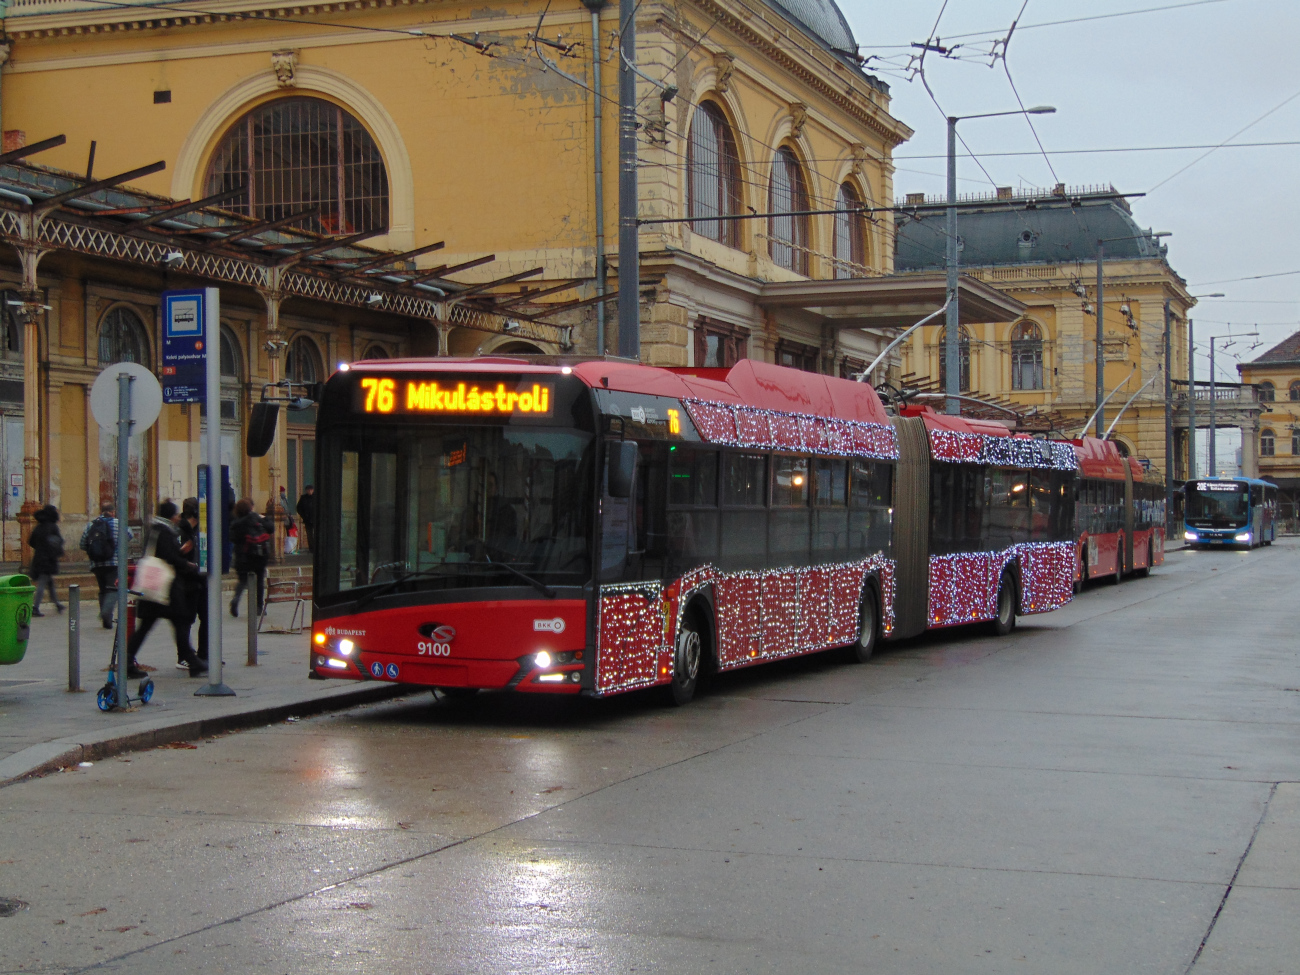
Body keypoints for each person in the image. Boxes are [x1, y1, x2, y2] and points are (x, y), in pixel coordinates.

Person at [125, 500, 206, 679]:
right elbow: (169, 557)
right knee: (179, 623)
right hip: (165, 589)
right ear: (171, 516)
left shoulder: (155, 529)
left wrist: (180, 552)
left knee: (149, 626)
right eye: (176, 514)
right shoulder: (165, 531)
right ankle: (192, 662)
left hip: (154, 589)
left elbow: (161, 553)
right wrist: (188, 563)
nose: (178, 518)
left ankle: (128, 662)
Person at [80, 501, 130, 629]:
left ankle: (106, 621)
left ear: (101, 512)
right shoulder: (118, 523)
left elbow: (82, 544)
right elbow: (129, 535)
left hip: (96, 563)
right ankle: (106, 613)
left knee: (103, 590)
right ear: (112, 512)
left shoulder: (91, 525)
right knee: (113, 588)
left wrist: (95, 552)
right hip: (114, 562)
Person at [177, 497, 209, 669]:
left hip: (201, 578)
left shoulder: (201, 528)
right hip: (187, 581)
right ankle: (184, 656)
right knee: (187, 620)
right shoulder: (180, 530)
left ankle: (204, 653)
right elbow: (175, 555)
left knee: (206, 617)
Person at [230, 498, 271, 618]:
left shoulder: (236, 523)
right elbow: (271, 528)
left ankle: (236, 599)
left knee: (242, 580)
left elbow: (232, 538)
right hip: (259, 555)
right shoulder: (256, 518)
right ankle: (258, 607)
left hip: (242, 556)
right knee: (259, 581)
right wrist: (265, 518)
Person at [28, 504, 65, 617]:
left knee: (50, 583)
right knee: (42, 583)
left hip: (39, 558)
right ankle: (36, 607)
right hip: (48, 560)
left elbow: (31, 541)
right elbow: (59, 541)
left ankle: (57, 604)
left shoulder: (39, 527)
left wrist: (40, 547)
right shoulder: (52, 527)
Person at [296, 485, 316, 552]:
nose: (310, 491)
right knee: (309, 534)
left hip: (316, 519)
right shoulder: (303, 498)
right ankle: (311, 548)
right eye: (308, 490)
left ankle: (316, 547)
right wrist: (304, 516)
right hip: (307, 519)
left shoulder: (316, 497)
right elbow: (298, 508)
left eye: (311, 490)